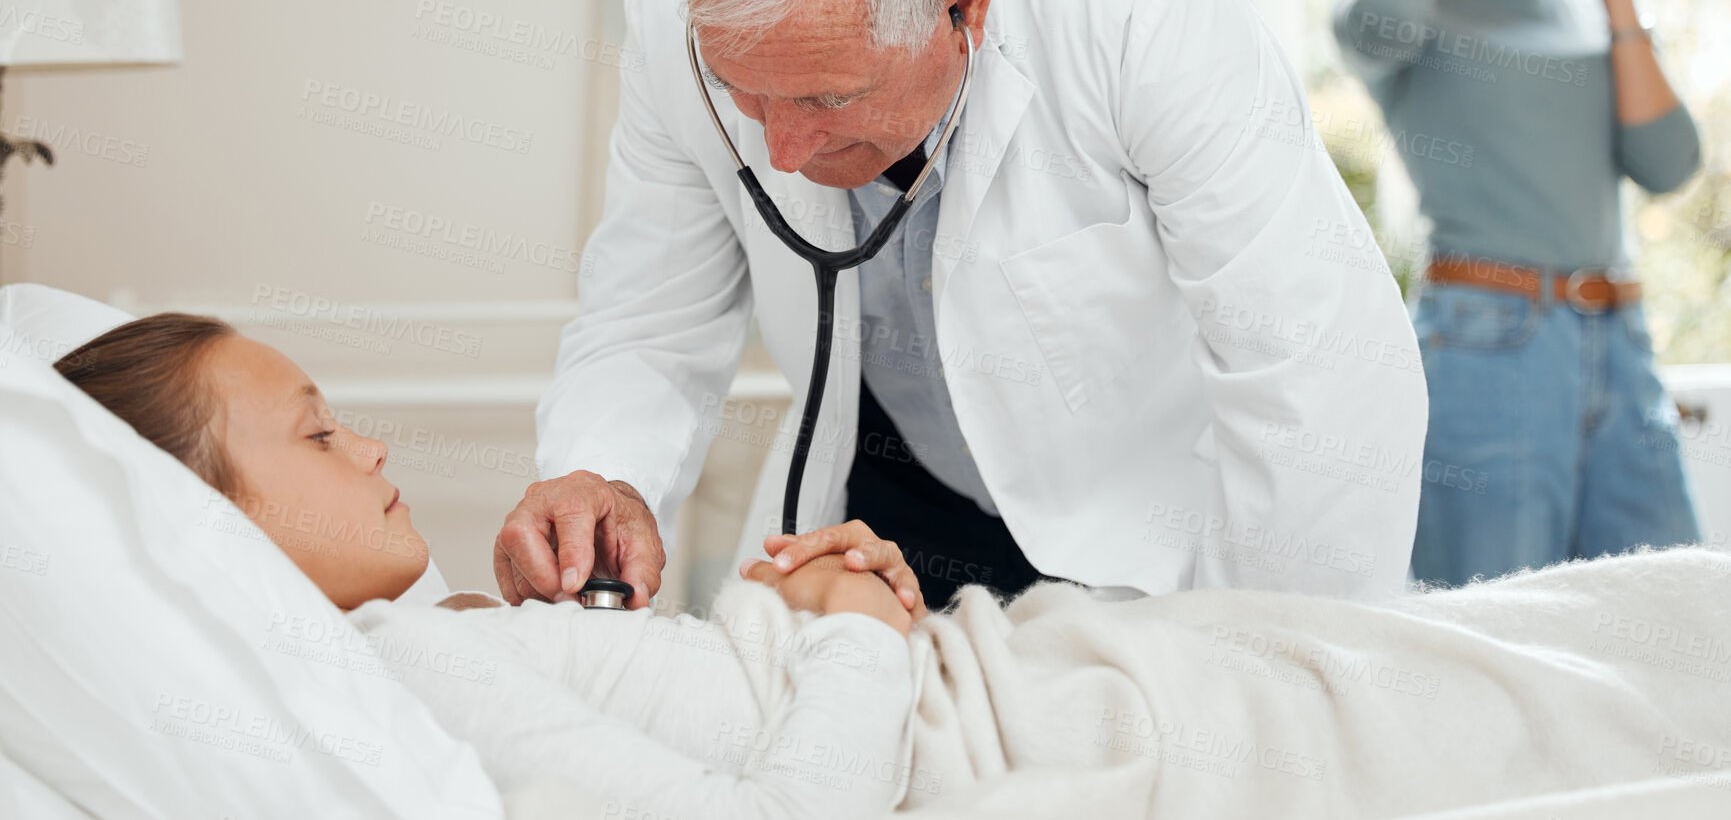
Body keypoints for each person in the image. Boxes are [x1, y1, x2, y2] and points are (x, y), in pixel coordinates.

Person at [52, 314, 1731, 819]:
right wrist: (845, 629)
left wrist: (768, 613)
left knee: (1587, 645)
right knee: (1597, 681)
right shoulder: (401, 682)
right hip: (1046, 734)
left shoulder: (419, 642)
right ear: (205, 512)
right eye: (320, 432)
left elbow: (669, 742)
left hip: (1018, 674)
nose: (374, 448)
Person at [499, 0, 1428, 613]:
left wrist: (1272, 663)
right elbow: (648, 310)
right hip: (888, 506)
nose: (781, 151)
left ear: (965, 3)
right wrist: (602, 472)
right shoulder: (678, 3)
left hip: (1139, 529)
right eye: (746, 93)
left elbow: (1318, 360)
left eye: (826, 95)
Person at [1332, 0, 1701, 587]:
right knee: (1498, 635)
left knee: (1674, 623)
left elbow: (1667, 161)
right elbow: (1377, 26)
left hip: (1619, 345)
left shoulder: (1588, 12)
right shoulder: (1406, 8)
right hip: (1485, 344)